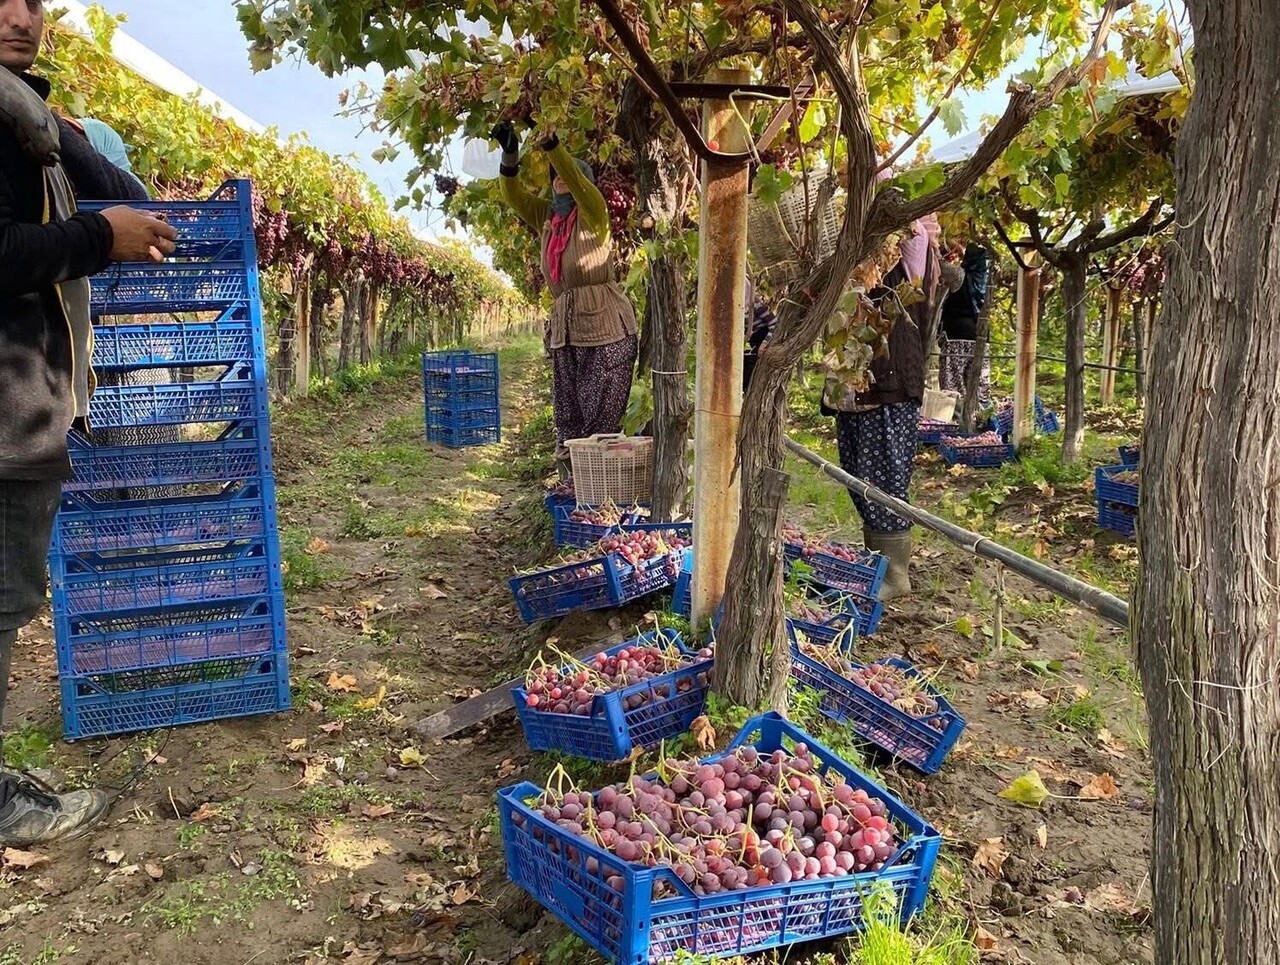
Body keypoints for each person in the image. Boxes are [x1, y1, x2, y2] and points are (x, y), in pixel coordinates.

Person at [0, 0, 177, 846]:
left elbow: (133, 200)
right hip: (7, 409)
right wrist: (93, 237)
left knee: (7, 598)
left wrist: (53, 123)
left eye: (32, 0)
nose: (19, 15)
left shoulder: (26, 121)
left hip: (30, 406)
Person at [490, 119, 637, 479]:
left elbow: (578, 182)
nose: (559, 178)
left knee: (599, 417)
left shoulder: (593, 212)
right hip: (566, 329)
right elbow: (513, 196)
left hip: (605, 329)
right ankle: (575, 488)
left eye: (564, 174)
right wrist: (511, 154)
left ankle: (602, 493)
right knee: (568, 414)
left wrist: (553, 145)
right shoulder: (549, 219)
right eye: (552, 174)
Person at [822, 218, 942, 601]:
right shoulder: (847, 256)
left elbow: (909, 223)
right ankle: (877, 562)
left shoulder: (909, 251)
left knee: (885, 481)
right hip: (851, 387)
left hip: (888, 387)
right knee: (857, 476)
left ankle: (895, 575)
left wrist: (882, 191)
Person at [937, 240, 991, 407]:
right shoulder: (987, 280)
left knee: (953, 381)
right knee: (978, 381)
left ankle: (956, 419)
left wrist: (939, 243)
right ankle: (980, 419)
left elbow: (939, 264)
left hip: (957, 335)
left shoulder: (959, 275)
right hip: (981, 335)